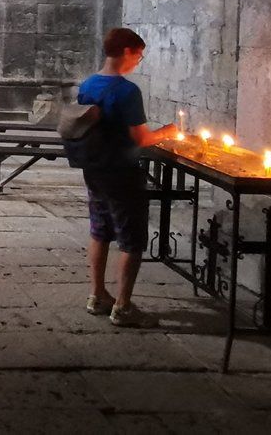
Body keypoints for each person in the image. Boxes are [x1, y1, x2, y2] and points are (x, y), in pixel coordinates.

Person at [75, 27, 178, 327]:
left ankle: (97, 295)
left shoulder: (88, 84)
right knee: (131, 238)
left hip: (95, 168)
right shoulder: (127, 91)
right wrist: (167, 132)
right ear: (127, 51)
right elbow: (141, 138)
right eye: (139, 56)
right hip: (122, 172)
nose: (137, 62)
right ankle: (123, 306)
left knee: (100, 230)